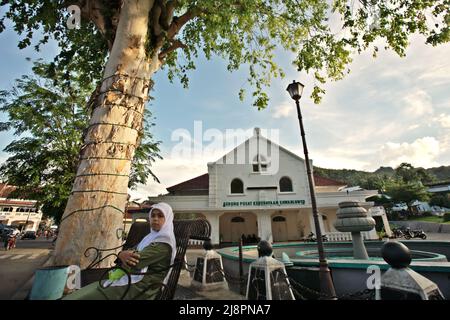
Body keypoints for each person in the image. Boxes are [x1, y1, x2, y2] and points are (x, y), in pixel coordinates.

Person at [63, 202, 176, 300]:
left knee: (88, 294)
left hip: (141, 289)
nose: (155, 219)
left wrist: (124, 255)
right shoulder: (152, 236)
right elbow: (134, 250)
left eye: (160, 216)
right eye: (153, 216)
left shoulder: (164, 242)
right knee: (90, 289)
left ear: (168, 219)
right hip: (132, 279)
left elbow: (136, 261)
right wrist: (122, 254)